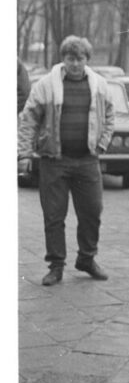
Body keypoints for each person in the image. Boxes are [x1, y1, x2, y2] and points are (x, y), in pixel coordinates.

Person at [17, 35, 115, 286]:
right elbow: (29, 118)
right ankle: (56, 265)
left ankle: (87, 259)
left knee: (92, 212)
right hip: (54, 161)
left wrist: (102, 144)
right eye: (70, 58)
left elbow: (110, 115)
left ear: (86, 59)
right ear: (63, 59)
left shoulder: (100, 85)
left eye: (80, 59)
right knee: (53, 216)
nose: (75, 64)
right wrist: (24, 153)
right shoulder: (46, 85)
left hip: (87, 161)